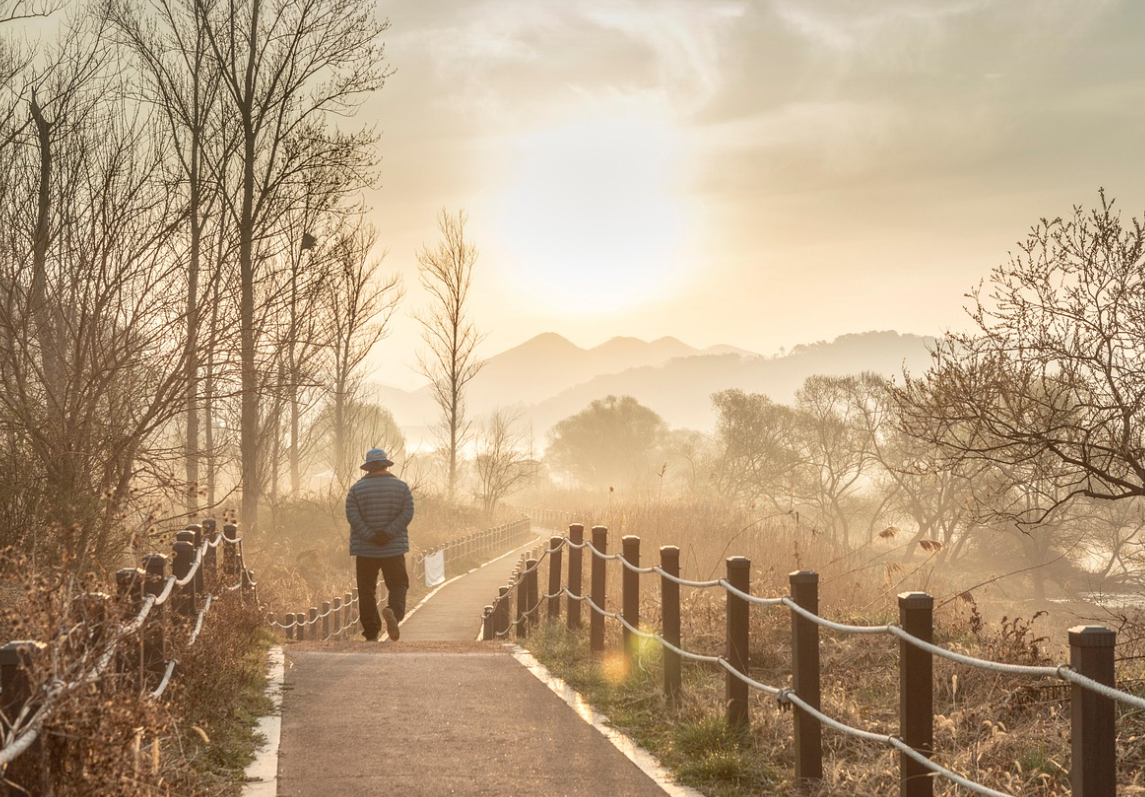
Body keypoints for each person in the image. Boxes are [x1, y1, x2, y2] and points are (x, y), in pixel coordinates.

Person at [345, 448, 414, 641]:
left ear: (368, 468)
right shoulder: (402, 487)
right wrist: (388, 534)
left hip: (365, 549)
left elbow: (353, 517)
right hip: (394, 548)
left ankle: (371, 631)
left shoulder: (356, 490)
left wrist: (370, 536)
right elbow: (407, 513)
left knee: (366, 590)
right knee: (399, 584)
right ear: (385, 464)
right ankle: (393, 612)